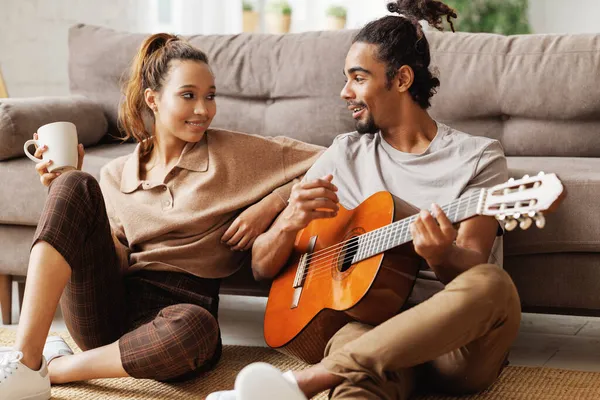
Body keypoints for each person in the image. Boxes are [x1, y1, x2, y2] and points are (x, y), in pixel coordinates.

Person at [208, 0, 521, 399]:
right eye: (346, 78)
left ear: (402, 79)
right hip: (367, 327)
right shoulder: (344, 153)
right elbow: (261, 266)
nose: (344, 92)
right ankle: (332, 380)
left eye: (358, 78)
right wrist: (287, 220)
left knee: (493, 283)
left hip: (453, 348)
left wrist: (441, 255)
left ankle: (306, 382)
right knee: (356, 381)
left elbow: (473, 264)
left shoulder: (479, 156)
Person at [1, 33, 323, 400]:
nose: (203, 109)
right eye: (188, 95)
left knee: (199, 329)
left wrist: (271, 203)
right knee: (74, 181)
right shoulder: (116, 174)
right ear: (153, 99)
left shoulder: (234, 152)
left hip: (182, 315)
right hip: (106, 311)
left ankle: (56, 369)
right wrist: (63, 191)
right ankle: (26, 360)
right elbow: (116, 261)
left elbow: (334, 156)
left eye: (211, 96)